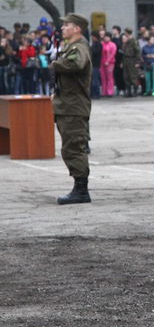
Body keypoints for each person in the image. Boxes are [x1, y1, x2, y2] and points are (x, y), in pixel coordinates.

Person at [50, 14, 92, 205]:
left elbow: (77, 63)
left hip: (74, 107)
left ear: (77, 29)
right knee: (70, 148)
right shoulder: (70, 47)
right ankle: (78, 187)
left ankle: (81, 191)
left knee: (74, 148)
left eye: (67, 25)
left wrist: (55, 65)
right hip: (68, 106)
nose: (62, 28)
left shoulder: (79, 47)